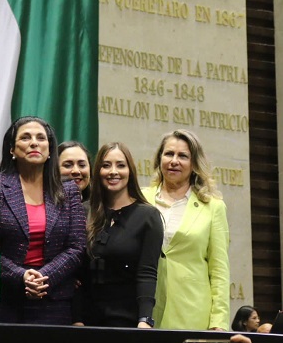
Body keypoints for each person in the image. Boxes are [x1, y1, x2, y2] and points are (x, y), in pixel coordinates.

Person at [0, 116, 86, 325]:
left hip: (55, 300)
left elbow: (76, 247)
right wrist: (21, 276)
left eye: (41, 138)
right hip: (7, 298)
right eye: (25, 138)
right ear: (12, 149)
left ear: (50, 150)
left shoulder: (68, 190)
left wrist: (43, 278)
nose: (34, 142)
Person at [142, 129, 230, 330]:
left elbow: (219, 271)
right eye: (169, 154)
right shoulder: (141, 200)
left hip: (192, 314)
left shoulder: (213, 206)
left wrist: (219, 323)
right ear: (159, 159)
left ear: (194, 164)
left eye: (183, 156)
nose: (174, 161)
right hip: (144, 313)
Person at [72, 142, 163, 328]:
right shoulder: (82, 211)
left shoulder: (148, 216)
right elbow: (77, 276)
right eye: (106, 165)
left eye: (121, 165)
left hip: (129, 322)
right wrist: (76, 319)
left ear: (130, 171)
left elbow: (147, 273)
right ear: (98, 171)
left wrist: (145, 320)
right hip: (87, 322)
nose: (113, 171)